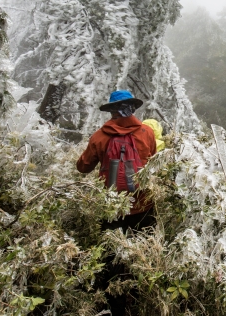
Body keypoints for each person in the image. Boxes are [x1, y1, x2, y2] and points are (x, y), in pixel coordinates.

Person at [76, 90, 157, 316]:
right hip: (143, 206)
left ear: (112, 111)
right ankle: (141, 297)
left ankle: (114, 304)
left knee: (112, 257)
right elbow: (153, 161)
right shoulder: (147, 132)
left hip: (112, 208)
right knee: (144, 252)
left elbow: (82, 167)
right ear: (132, 108)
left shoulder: (99, 137)